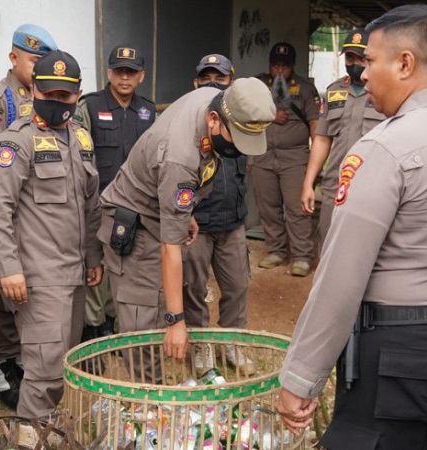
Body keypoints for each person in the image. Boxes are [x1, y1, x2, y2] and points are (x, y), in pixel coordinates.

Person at [275, 5, 427, 449]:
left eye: (370, 61)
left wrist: (300, 377)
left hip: (403, 359)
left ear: (405, 63)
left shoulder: (383, 148)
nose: (362, 74)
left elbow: (341, 279)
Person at [98, 78, 275, 382]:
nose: (237, 149)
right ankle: (147, 404)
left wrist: (184, 213)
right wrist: (176, 321)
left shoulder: (214, 97)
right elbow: (171, 247)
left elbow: (186, 186)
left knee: (157, 304)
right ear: (214, 119)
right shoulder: (180, 157)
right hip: (135, 222)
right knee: (143, 318)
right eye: (237, 139)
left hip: (158, 204)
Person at [0, 50, 102, 420]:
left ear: (78, 94)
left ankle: (48, 431)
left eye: (64, 97)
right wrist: (8, 269)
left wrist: (93, 257)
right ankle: (30, 437)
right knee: (44, 371)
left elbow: (90, 206)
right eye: (47, 94)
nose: (55, 103)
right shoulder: (15, 141)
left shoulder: (81, 139)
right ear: (34, 88)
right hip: (36, 277)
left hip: (74, 274)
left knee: (65, 361)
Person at [0, 23, 57, 409]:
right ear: (14, 57)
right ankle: (3, 366)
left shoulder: (47, 101)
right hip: (3, 219)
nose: (39, 68)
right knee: (3, 291)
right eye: (35, 60)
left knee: (29, 294)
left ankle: (21, 358)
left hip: (38, 223)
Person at [73, 44, 155, 367]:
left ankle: (116, 331)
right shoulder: (89, 106)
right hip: (98, 207)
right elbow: (78, 154)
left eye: (131, 72)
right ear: (108, 72)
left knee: (128, 273)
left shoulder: (149, 111)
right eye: (118, 70)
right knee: (96, 274)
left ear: (141, 76)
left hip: (136, 211)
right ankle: (94, 341)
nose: (124, 77)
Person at [182, 54, 255, 375]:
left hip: (233, 222)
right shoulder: (187, 122)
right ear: (196, 83)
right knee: (194, 289)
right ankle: (201, 349)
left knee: (238, 286)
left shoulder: (242, 120)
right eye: (206, 78)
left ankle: (231, 344)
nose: (213, 84)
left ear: (231, 83)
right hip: (196, 224)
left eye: (220, 79)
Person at [301, 29, 386, 253]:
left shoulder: (385, 92)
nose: (355, 63)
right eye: (350, 58)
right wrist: (308, 183)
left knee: (366, 250)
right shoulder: (333, 91)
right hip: (335, 186)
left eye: (361, 58)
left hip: (373, 187)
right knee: (329, 246)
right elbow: (321, 139)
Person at [252, 42, 321, 276]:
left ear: (293, 66)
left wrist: (315, 159)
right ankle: (276, 250)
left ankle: (302, 256)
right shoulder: (258, 85)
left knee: (297, 208)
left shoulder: (304, 88)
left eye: (285, 66)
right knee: (268, 207)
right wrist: (270, 115)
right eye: (275, 65)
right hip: (263, 154)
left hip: (295, 157)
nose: (279, 71)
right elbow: (242, 111)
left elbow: (314, 123)